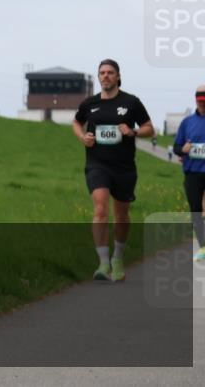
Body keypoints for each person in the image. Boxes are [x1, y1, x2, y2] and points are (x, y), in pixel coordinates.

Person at [72, 59, 154, 282]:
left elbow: (149, 129)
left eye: (110, 72)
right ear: (98, 77)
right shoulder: (89, 103)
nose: (105, 76)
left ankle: (117, 259)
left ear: (118, 76)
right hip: (97, 164)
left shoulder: (131, 102)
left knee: (121, 215)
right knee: (100, 209)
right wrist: (83, 137)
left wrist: (132, 131)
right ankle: (103, 263)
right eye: (102, 73)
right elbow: (76, 122)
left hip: (124, 167)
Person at [172, 85, 205, 262]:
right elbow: (176, 147)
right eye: (199, 101)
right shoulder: (187, 122)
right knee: (195, 210)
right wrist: (183, 149)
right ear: (195, 100)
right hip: (192, 172)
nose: (202, 104)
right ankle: (203, 248)